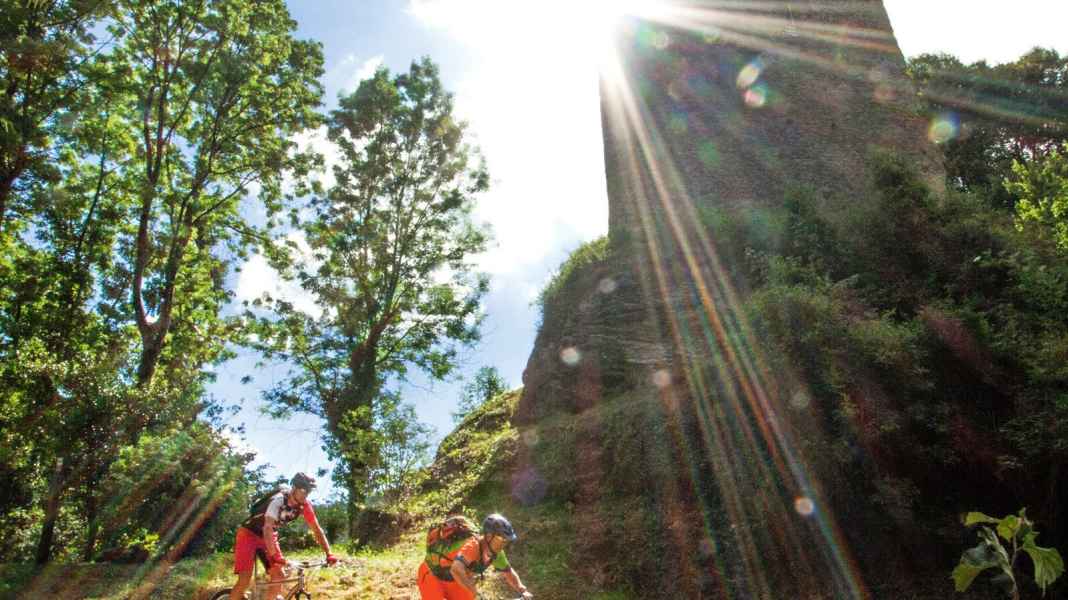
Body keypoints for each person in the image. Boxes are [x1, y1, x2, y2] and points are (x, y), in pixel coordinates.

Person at [229, 472, 338, 600]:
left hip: (268, 537)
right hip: (248, 534)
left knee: (279, 575)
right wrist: (275, 556)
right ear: (294, 488)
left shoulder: (304, 506)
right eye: (303, 490)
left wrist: (328, 553)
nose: (306, 494)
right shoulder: (279, 500)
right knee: (244, 581)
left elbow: (316, 529)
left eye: (308, 492)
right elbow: (267, 527)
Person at [417, 513, 533, 600]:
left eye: (506, 541)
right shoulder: (473, 546)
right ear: (488, 536)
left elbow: (508, 572)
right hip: (431, 575)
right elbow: (456, 569)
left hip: (454, 580)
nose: (503, 544)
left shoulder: (496, 553)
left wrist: (522, 590)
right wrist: (474, 592)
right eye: (501, 539)